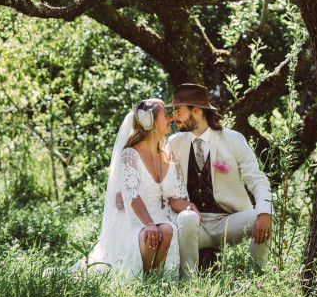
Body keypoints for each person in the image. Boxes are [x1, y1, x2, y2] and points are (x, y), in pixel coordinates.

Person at [167, 84, 273, 278]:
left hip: (228, 222)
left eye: (178, 111)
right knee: (187, 218)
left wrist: (264, 212)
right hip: (195, 226)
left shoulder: (233, 139)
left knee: (267, 215)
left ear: (196, 110)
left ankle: (253, 278)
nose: (174, 117)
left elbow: (257, 180)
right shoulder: (174, 143)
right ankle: (188, 283)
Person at [87, 98, 200, 277]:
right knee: (149, 236)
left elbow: (173, 198)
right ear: (151, 123)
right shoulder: (130, 155)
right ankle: (142, 281)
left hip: (162, 217)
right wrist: (149, 224)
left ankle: (155, 280)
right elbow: (134, 198)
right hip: (137, 220)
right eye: (165, 115)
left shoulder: (167, 155)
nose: (170, 118)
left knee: (168, 230)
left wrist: (189, 206)